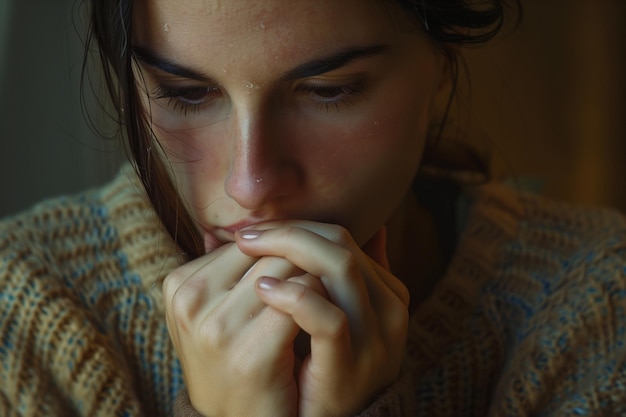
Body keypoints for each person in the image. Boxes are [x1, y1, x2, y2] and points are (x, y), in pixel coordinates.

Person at [1, 0, 626, 416]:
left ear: (442, 62)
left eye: (330, 91)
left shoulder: (598, 303)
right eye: (183, 93)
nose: (250, 184)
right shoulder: (24, 312)